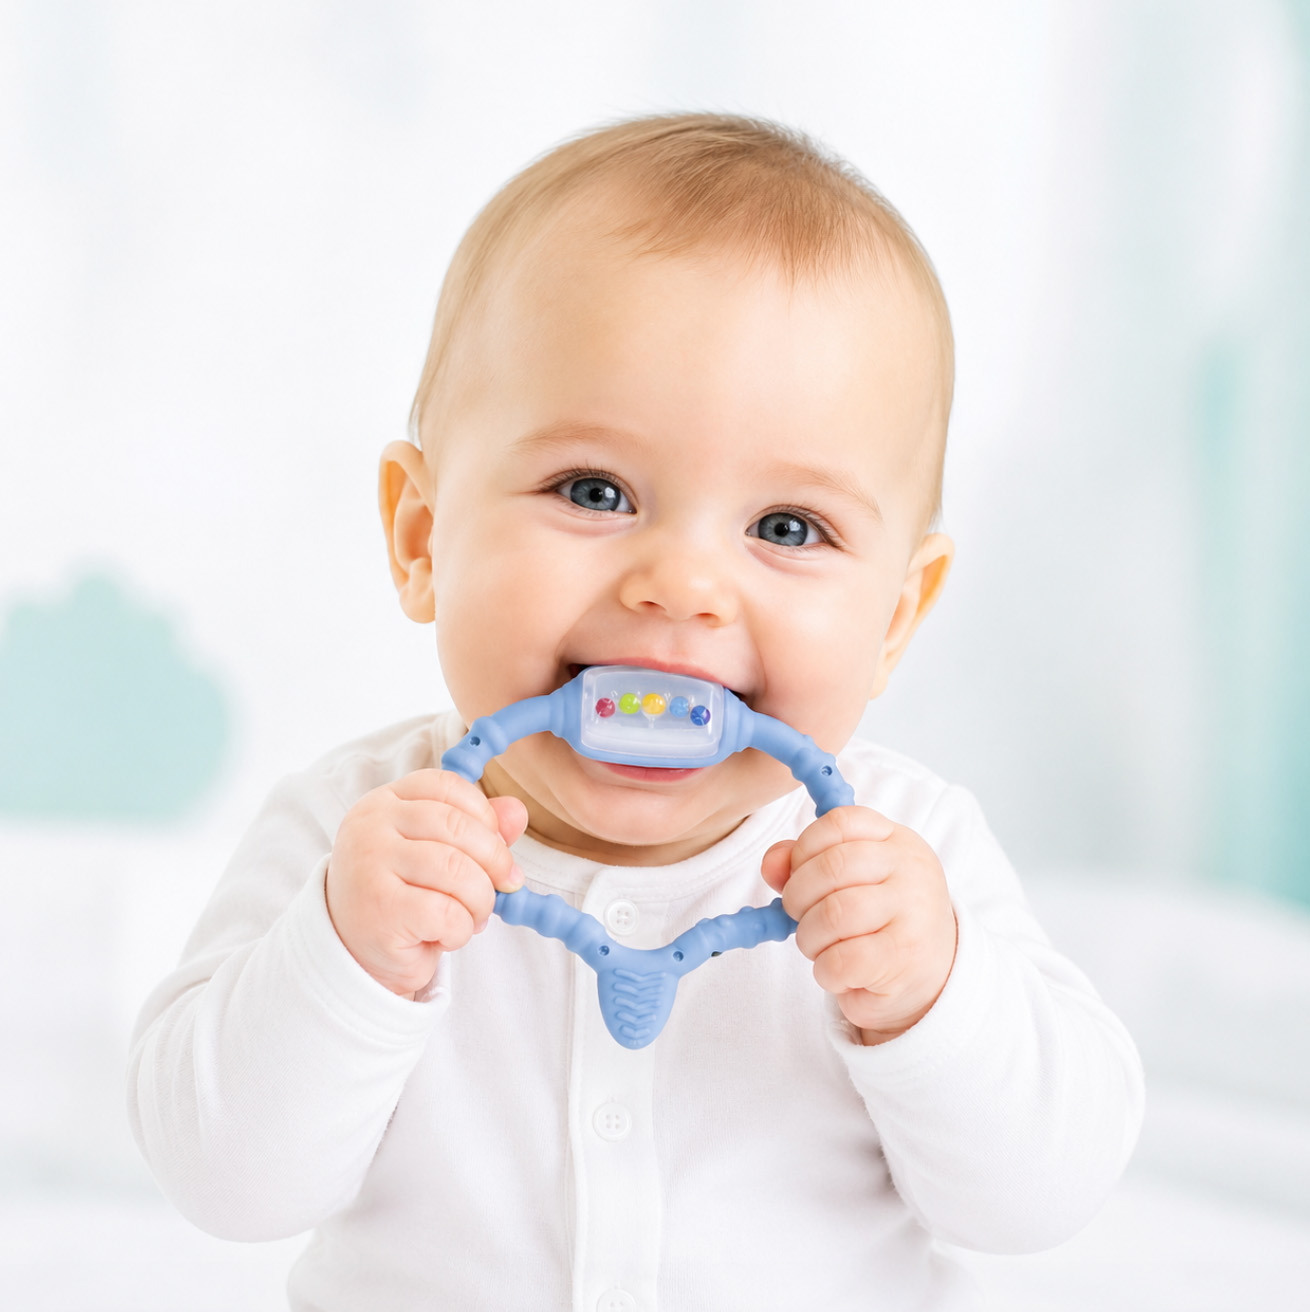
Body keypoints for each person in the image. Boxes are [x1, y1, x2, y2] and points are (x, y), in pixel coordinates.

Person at [128, 113, 1143, 1311]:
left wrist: (931, 997)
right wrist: (346, 958)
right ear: (422, 536)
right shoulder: (355, 834)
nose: (681, 584)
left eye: (786, 527)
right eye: (593, 491)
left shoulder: (904, 855)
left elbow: (1040, 1200)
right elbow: (223, 1184)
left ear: (894, 616)